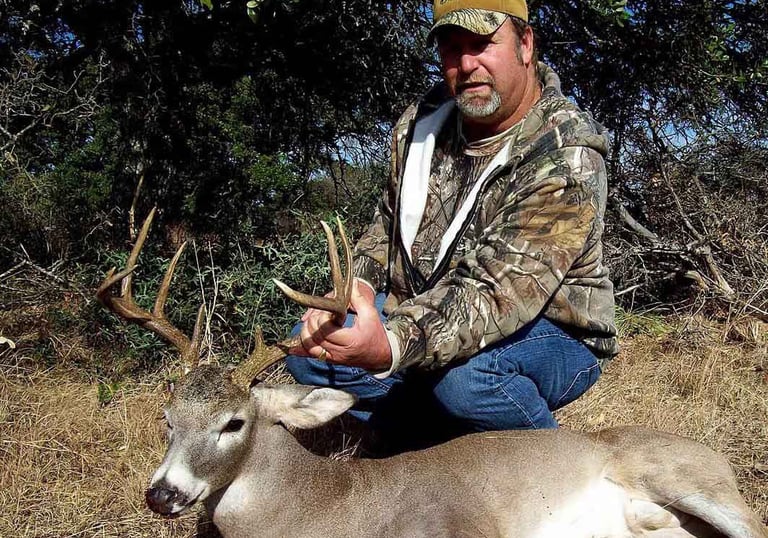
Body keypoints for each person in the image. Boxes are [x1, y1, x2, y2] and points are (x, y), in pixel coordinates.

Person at [286, 0, 618, 450]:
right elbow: (385, 228)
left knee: (467, 381)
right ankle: (431, 440)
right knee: (314, 353)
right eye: (450, 49)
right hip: (431, 307)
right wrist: (355, 292)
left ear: (525, 44)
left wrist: (389, 346)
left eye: (482, 44)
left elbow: (496, 293)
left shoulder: (567, 152)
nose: (466, 64)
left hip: (552, 331)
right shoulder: (423, 123)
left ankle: (551, 477)